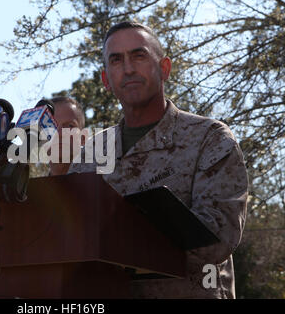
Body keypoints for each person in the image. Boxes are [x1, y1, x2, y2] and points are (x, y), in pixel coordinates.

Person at [68, 21, 248, 299]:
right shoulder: (90, 154)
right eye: (117, 60)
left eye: (139, 56)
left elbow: (216, 238)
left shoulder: (209, 138)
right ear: (106, 80)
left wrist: (115, 240)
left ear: (164, 68)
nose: (128, 69)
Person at [48, 96, 87, 176]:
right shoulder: (29, 187)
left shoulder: (101, 184)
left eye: (70, 126)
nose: (59, 133)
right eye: (51, 126)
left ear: (83, 138)